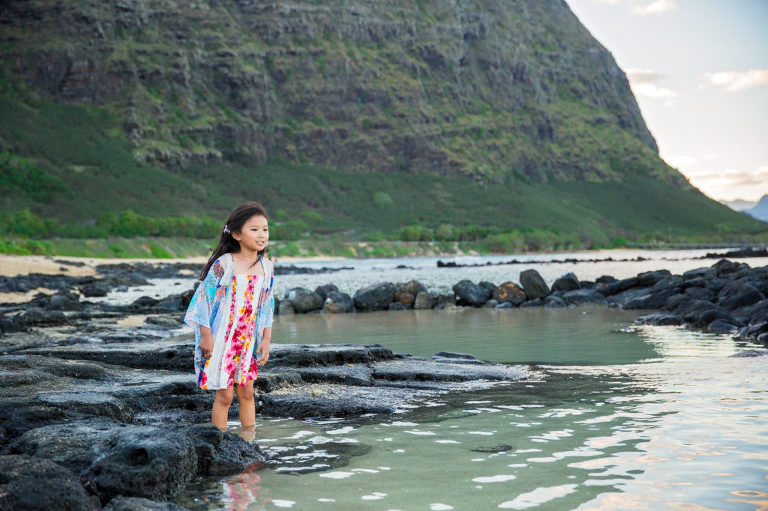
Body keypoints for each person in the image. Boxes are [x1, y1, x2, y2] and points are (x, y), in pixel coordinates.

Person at [184, 201, 275, 433]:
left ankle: (249, 442)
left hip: (247, 340)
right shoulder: (224, 264)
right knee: (224, 395)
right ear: (236, 234)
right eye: (254, 229)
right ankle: (219, 443)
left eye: (265, 229)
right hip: (222, 339)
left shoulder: (267, 267)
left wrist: (266, 340)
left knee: (246, 391)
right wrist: (205, 336)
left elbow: (267, 305)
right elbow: (202, 300)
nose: (261, 234)